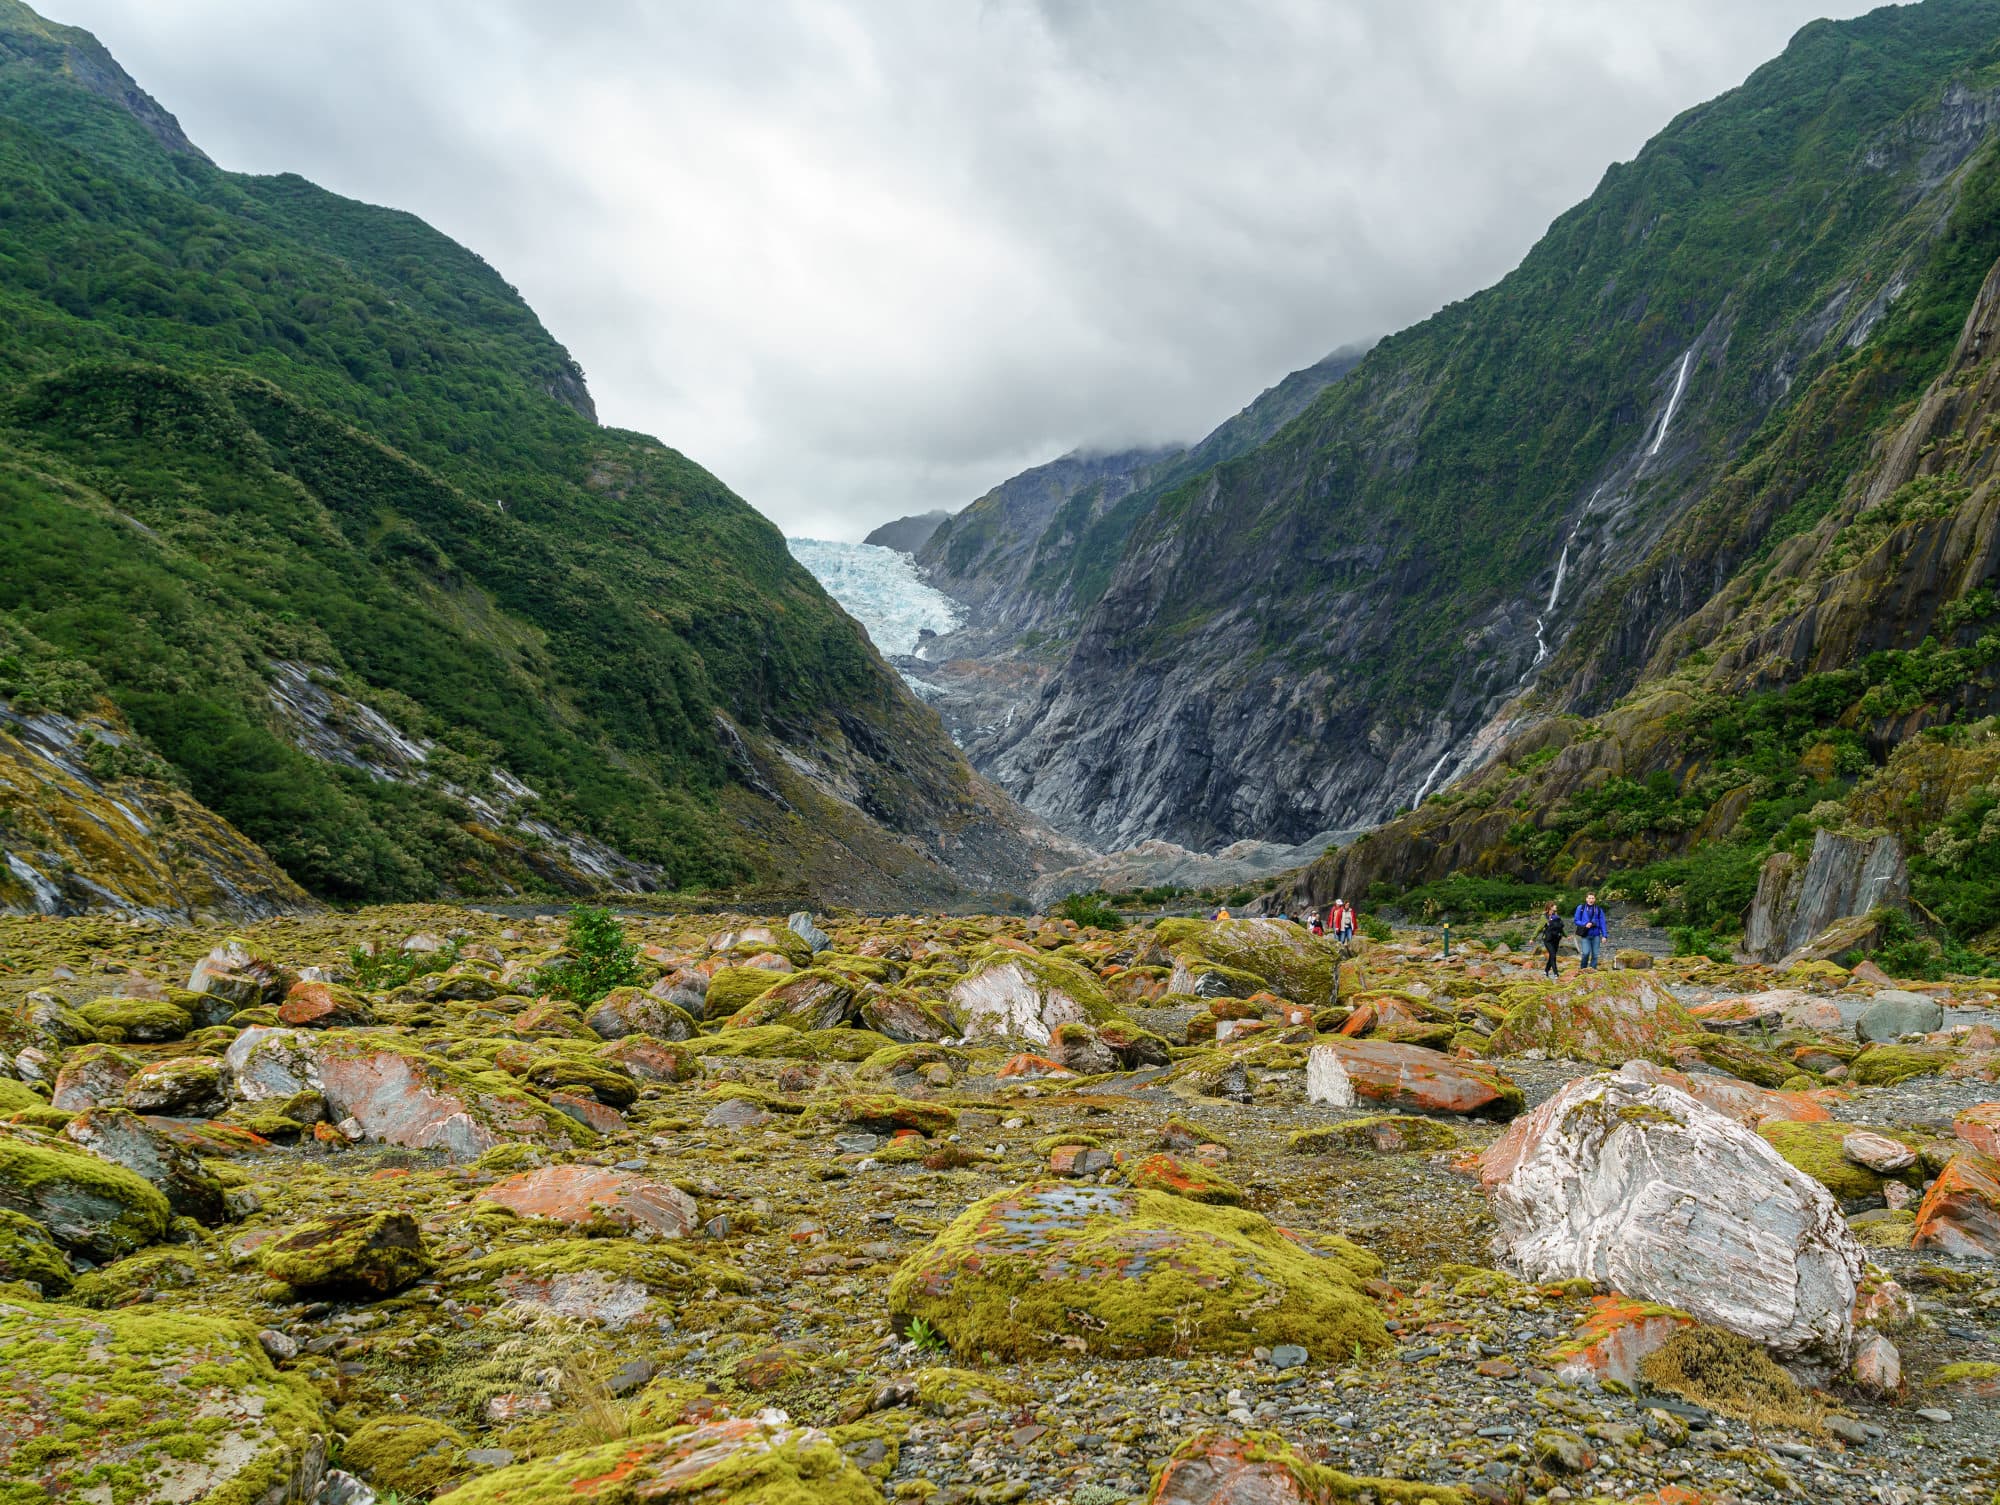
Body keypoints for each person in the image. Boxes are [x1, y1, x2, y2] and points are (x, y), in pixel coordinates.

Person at [1573, 891, 1608, 969]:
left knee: (1595, 955)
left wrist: (1604, 936)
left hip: (1596, 935)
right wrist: (1585, 924)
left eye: (1592, 898)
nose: (1591, 900)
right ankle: (1583, 969)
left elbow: (1602, 923)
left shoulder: (1599, 909)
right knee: (1585, 953)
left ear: (1595, 899)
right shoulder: (1581, 908)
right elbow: (1576, 920)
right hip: (1585, 934)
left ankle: (1592, 971)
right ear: (1586, 899)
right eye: (1589, 898)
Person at [1540, 901, 1565, 978]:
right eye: (1554, 905)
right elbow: (1539, 927)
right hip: (1547, 939)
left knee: (1552, 956)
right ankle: (1556, 974)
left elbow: (1560, 928)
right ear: (1550, 907)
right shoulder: (1544, 916)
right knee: (1553, 955)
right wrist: (1532, 938)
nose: (1556, 906)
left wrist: (1566, 935)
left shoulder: (1557, 916)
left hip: (1556, 939)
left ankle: (1546, 970)